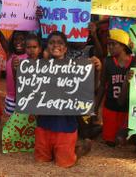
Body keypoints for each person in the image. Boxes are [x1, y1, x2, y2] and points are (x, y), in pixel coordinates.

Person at [34, 31, 99, 168]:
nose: (56, 45)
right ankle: (67, 149)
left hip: (66, 126)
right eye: (52, 42)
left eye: (60, 43)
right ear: (47, 46)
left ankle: (80, 150)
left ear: (65, 47)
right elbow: (25, 90)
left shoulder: (77, 67)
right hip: (44, 125)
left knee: (64, 164)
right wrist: (16, 70)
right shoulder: (39, 67)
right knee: (42, 160)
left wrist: (97, 70)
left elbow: (91, 89)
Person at [94, 29, 133, 146]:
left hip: (128, 109)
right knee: (110, 141)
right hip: (110, 106)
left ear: (123, 45)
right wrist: (95, 108)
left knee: (126, 142)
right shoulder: (107, 62)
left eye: (113, 44)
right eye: (108, 44)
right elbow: (102, 86)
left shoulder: (135, 62)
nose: (110, 47)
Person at [0, 31, 28, 115]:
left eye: (22, 39)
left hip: (24, 99)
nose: (18, 42)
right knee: (11, 123)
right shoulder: (10, 54)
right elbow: (2, 38)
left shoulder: (29, 56)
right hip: (10, 99)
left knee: (23, 123)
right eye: (15, 39)